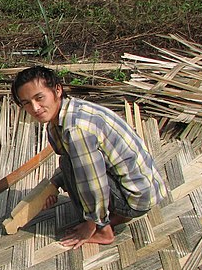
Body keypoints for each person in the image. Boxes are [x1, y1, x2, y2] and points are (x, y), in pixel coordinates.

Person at [10, 65, 168, 249]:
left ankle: (104, 230)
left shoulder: (76, 129)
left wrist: (93, 223)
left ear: (57, 90)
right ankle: (110, 215)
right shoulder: (67, 113)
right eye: (27, 103)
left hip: (136, 198)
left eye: (39, 98)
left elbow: (92, 181)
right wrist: (54, 185)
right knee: (69, 163)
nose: (35, 108)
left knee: (70, 165)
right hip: (141, 190)